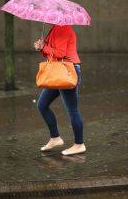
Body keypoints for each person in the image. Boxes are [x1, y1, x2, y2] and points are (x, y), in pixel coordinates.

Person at [33, 25, 85, 156]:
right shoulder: (55, 28)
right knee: (42, 105)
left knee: (72, 109)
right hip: (58, 71)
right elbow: (52, 53)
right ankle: (55, 138)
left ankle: (79, 144)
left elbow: (61, 53)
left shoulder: (63, 29)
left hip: (67, 71)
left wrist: (44, 47)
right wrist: (41, 47)